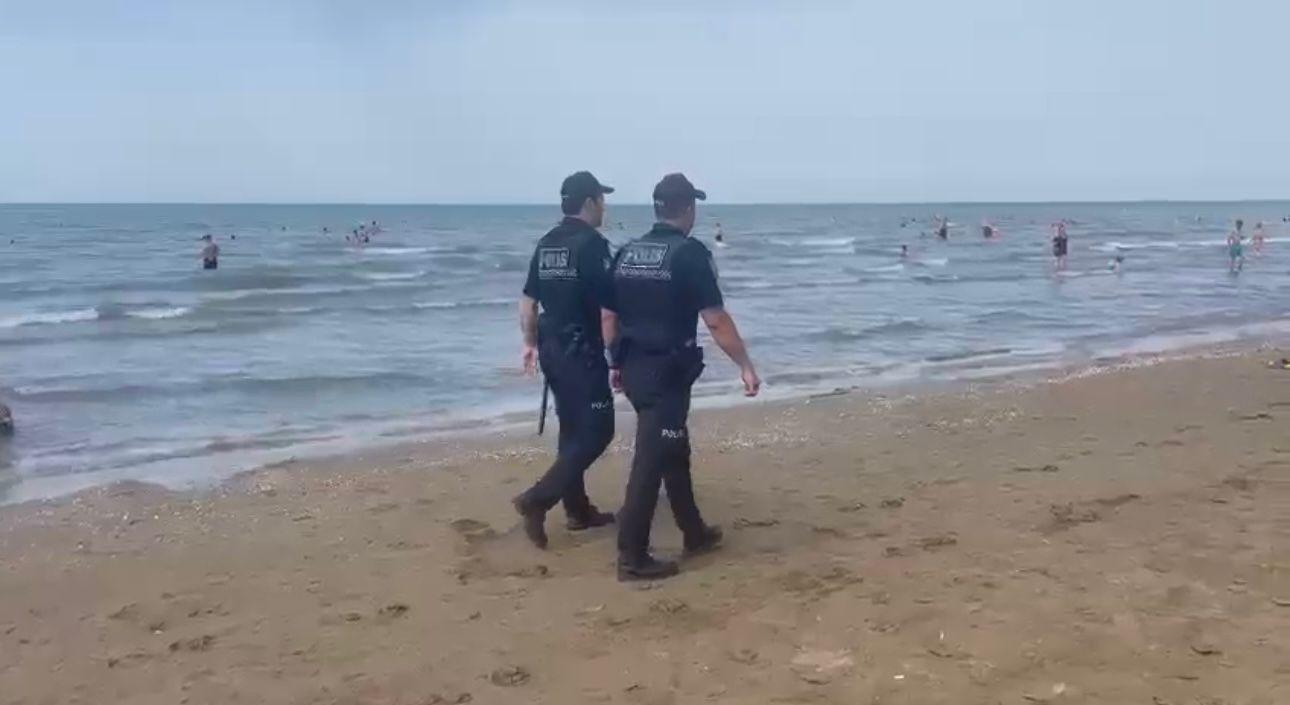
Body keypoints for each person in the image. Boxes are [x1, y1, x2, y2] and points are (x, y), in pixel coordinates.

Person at [606, 173, 761, 581]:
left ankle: (694, 532)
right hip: (666, 373)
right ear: (688, 209)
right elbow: (716, 320)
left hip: (635, 368)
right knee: (652, 458)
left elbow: (608, 316)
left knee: (672, 446)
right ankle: (631, 556)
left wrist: (615, 362)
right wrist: (745, 365)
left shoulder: (626, 252)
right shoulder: (690, 255)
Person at [513, 171, 619, 549]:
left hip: (552, 349)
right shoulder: (593, 245)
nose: (604, 207)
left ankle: (577, 510)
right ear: (589, 203)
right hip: (582, 350)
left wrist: (529, 343)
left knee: (572, 427)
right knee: (599, 429)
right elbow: (608, 308)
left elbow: (528, 302)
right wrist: (617, 356)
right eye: (601, 200)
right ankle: (537, 499)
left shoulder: (546, 243)